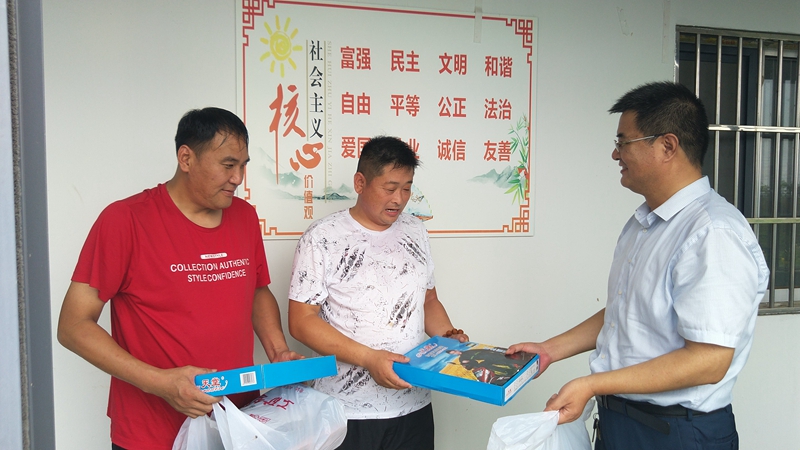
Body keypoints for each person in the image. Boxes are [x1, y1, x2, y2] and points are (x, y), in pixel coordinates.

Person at [507, 82, 769, 450]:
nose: (615, 154)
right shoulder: (645, 223)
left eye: (623, 142)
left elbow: (709, 361)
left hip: (677, 433)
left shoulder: (713, 233)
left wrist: (592, 384)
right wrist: (550, 349)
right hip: (622, 422)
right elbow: (626, 311)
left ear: (667, 146)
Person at [57, 107, 301, 450]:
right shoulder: (125, 220)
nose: (238, 178)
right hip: (152, 433)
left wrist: (278, 352)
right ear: (186, 158)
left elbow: (257, 290)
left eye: (243, 166)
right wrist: (161, 383)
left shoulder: (244, 216)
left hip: (237, 425)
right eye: (228, 165)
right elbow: (73, 326)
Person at [287, 136, 468, 450]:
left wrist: (447, 338)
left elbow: (428, 300)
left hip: (414, 402)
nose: (399, 199)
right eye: (390, 188)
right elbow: (301, 321)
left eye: (407, 188)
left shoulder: (415, 230)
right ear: (360, 182)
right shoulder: (323, 237)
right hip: (347, 411)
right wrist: (369, 359)